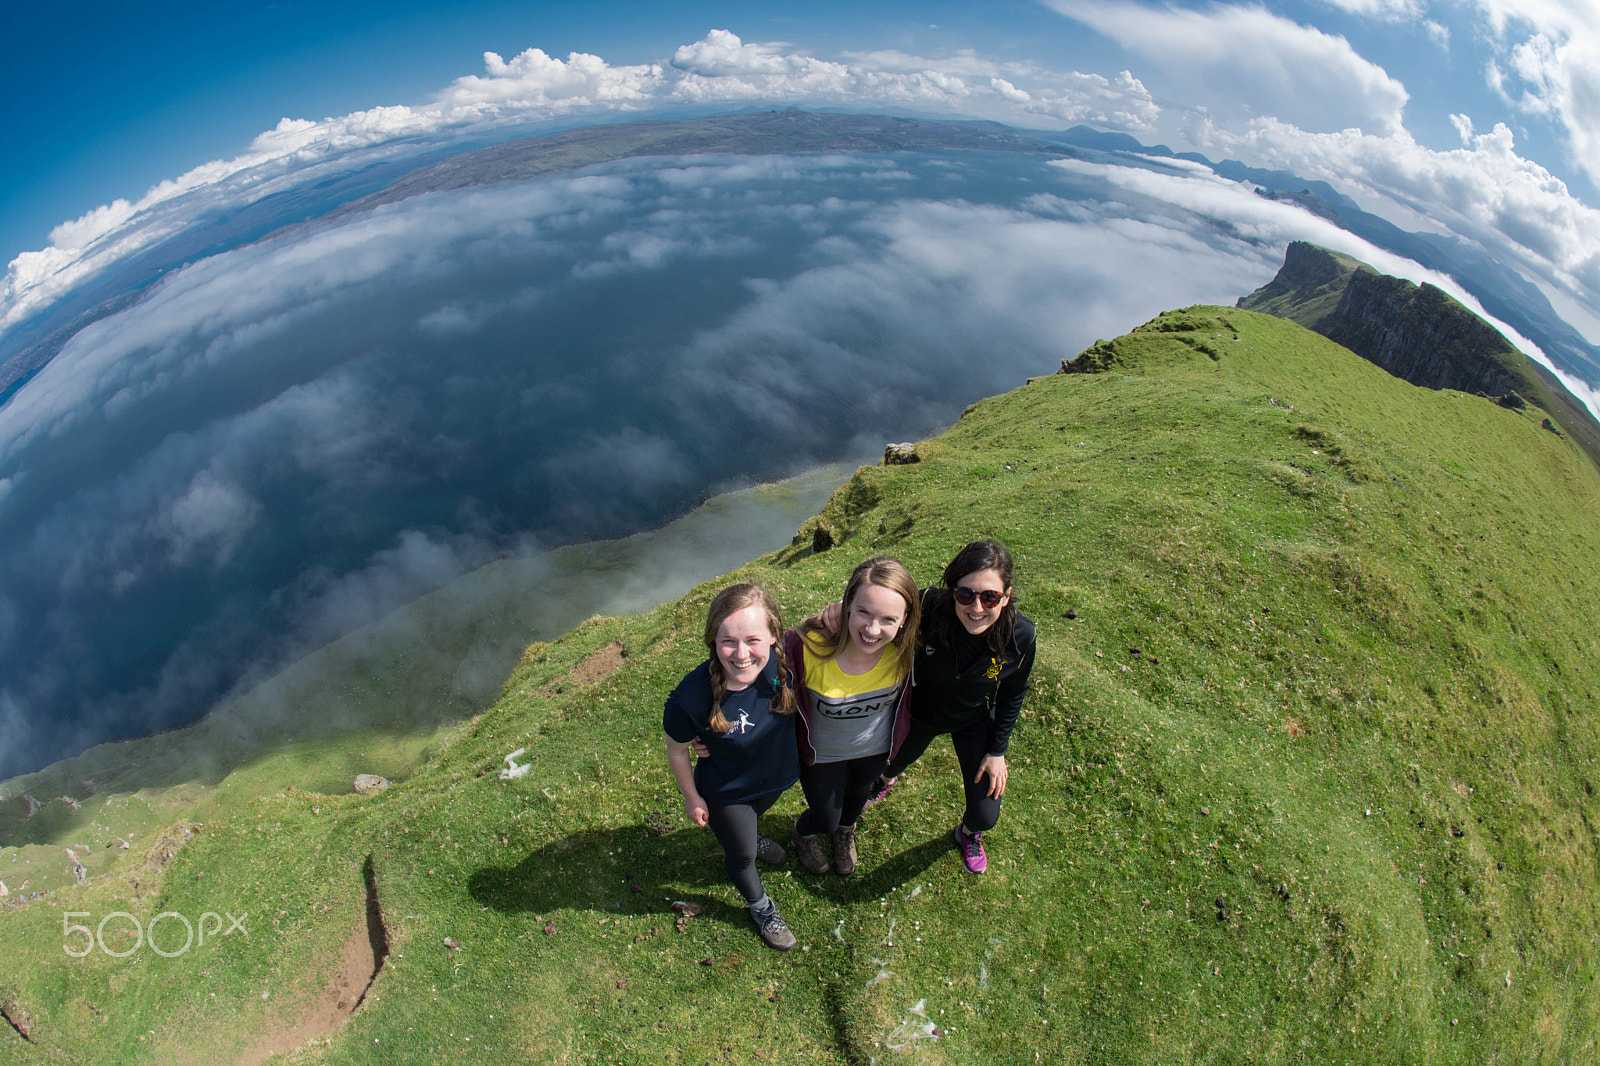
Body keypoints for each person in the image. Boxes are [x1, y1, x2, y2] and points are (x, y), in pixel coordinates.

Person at [863, 540, 1036, 874]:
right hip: (919, 711)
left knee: (986, 815)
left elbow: (1014, 692)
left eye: (990, 597)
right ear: (952, 589)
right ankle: (886, 779)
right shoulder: (929, 605)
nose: (976, 607)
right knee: (886, 765)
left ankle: (967, 834)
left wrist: (997, 751)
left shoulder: (1020, 636)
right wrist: (835, 615)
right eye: (965, 594)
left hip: (972, 718)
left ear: (1007, 595)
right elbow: (879, 611)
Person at [663, 583, 801, 950]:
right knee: (740, 857)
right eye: (728, 641)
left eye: (753, 640)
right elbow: (676, 751)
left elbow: (837, 632)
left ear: (774, 637)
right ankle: (761, 908)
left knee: (751, 824)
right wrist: (692, 797)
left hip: (776, 778)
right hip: (727, 793)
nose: (741, 655)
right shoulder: (689, 699)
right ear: (712, 639)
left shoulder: (784, 664)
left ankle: (750, 834)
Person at [787, 557, 921, 876]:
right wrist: (705, 723)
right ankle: (803, 833)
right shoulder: (807, 646)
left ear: (905, 621)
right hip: (821, 756)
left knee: (858, 797)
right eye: (864, 612)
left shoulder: (906, 652)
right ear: (847, 604)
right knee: (825, 816)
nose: (873, 630)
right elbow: (750, 667)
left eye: (888, 619)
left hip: (873, 752)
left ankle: (846, 832)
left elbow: (963, 611)